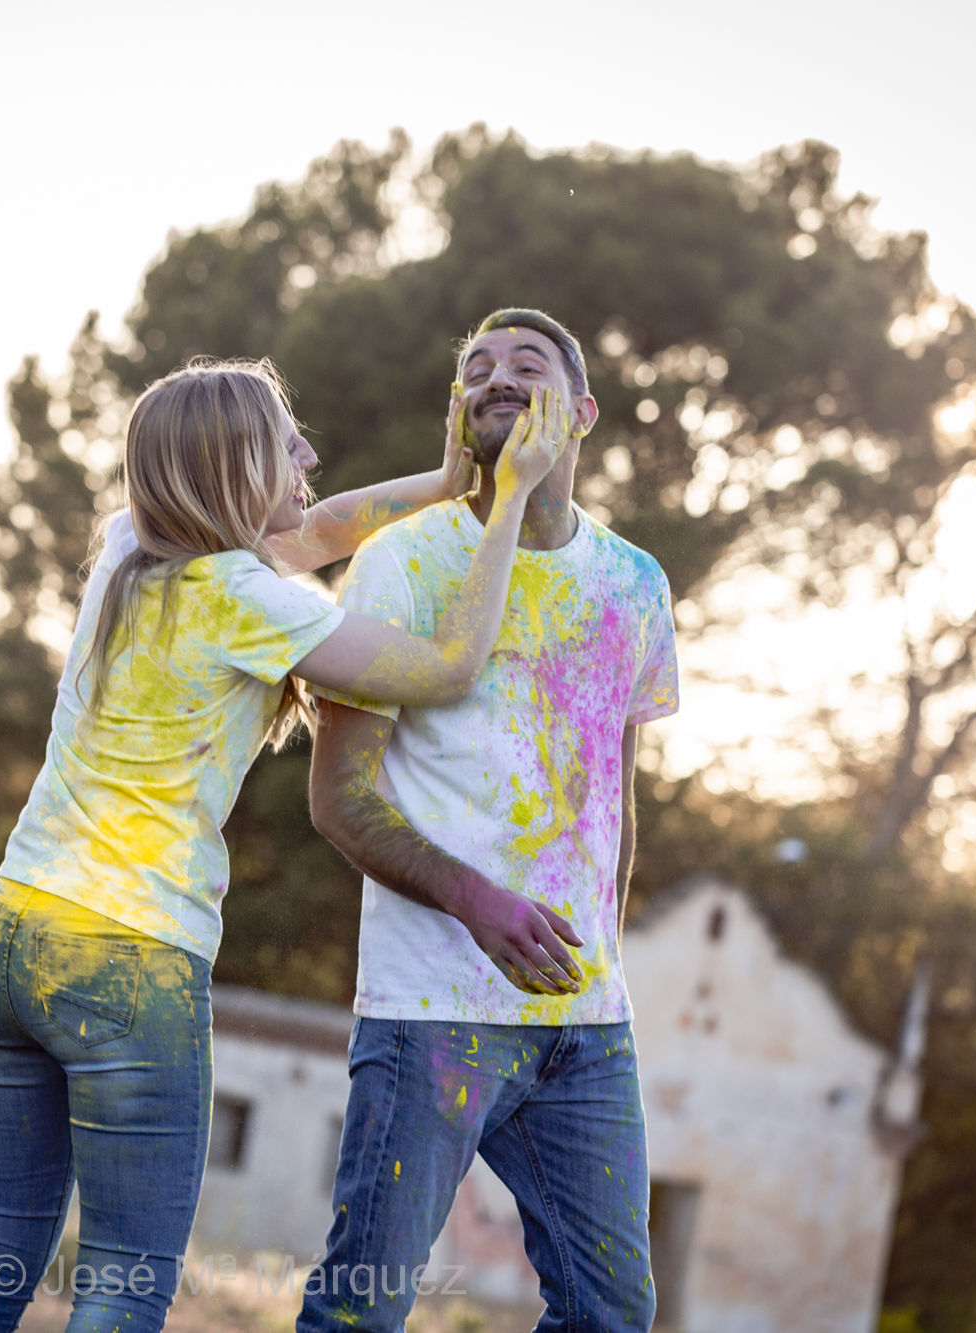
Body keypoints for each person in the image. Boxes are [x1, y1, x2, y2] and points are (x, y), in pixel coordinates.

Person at [0, 356, 567, 1333]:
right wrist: (507, 500)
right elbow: (443, 669)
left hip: (11, 936)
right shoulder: (247, 600)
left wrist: (440, 486)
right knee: (123, 1282)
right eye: (285, 440)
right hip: (127, 958)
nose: (307, 451)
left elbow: (304, 532)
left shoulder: (123, 549)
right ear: (234, 466)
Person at [297, 309, 680, 1333]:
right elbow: (336, 797)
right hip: (429, 1010)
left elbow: (616, 795)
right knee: (359, 1311)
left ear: (582, 412)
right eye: (474, 367)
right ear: (457, 413)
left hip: (584, 1026)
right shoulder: (400, 562)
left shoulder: (636, 584)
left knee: (611, 1315)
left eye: (526, 363)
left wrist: (598, 947)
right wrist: (475, 901)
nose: (494, 376)